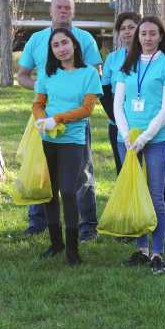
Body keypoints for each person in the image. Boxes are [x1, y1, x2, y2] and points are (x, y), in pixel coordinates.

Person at [17, 0, 102, 241]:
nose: (63, 11)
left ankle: (87, 226)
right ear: (51, 11)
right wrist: (44, 91)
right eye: (59, 7)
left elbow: (95, 73)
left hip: (76, 121)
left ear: (72, 12)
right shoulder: (37, 39)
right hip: (44, 118)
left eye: (67, 8)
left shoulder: (85, 39)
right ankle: (38, 222)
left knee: (81, 173)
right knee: (41, 169)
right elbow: (22, 75)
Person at [100, 12, 165, 245]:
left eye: (152, 33)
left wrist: (144, 137)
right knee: (134, 188)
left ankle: (158, 250)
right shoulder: (125, 64)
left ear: (160, 37)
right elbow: (117, 103)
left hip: (153, 138)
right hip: (127, 138)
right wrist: (126, 135)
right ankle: (141, 248)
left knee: (155, 194)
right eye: (143, 33)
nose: (147, 38)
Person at [32, 28, 102, 266]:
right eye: (56, 45)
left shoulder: (89, 73)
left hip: (72, 140)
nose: (61, 48)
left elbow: (87, 109)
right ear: (52, 51)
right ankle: (56, 243)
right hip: (48, 139)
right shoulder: (46, 74)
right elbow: (38, 103)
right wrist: (41, 119)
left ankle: (72, 250)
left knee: (69, 191)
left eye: (64, 43)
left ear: (74, 45)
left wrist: (58, 118)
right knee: (50, 192)